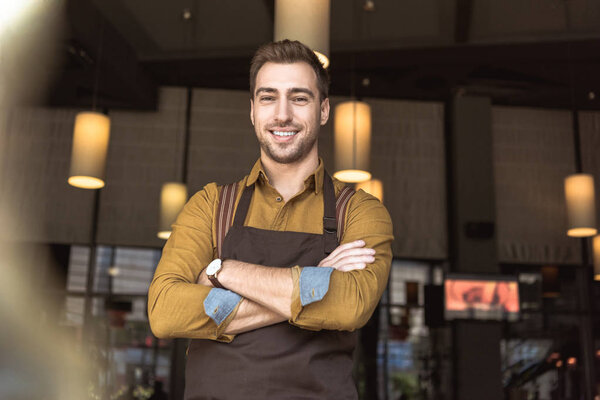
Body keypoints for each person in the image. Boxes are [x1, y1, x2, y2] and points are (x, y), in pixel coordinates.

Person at [148, 39, 393, 400]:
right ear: (252, 110)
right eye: (268, 97)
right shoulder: (210, 204)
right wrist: (319, 277)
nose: (282, 114)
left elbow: (349, 306)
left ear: (323, 110)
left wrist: (221, 272)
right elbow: (165, 313)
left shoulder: (360, 211)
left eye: (299, 98)